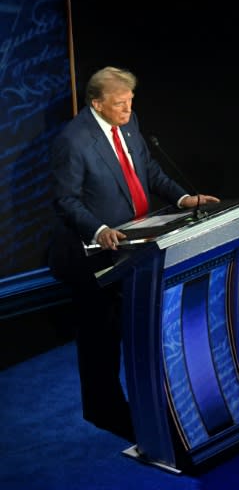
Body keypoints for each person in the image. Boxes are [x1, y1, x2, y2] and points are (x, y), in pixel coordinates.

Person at [48, 66, 219, 442]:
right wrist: (99, 229)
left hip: (137, 247)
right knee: (101, 337)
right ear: (97, 103)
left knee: (136, 327)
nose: (128, 109)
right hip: (94, 256)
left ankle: (151, 404)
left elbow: (149, 171)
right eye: (120, 103)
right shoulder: (73, 141)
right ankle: (103, 410)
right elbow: (66, 199)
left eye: (130, 101)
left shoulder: (129, 122)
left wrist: (182, 197)